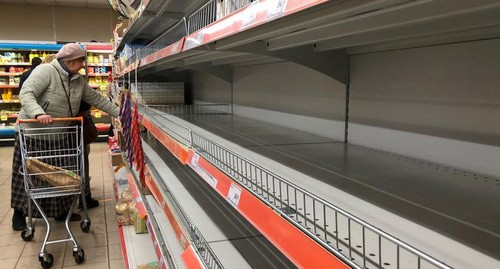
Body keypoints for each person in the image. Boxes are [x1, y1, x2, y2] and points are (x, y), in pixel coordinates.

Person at [11, 43, 120, 231]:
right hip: (33, 133)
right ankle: (19, 214)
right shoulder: (46, 71)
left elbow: (96, 99)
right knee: (27, 177)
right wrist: (38, 113)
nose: (82, 66)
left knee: (60, 175)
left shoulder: (77, 80)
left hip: (59, 135)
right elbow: (27, 93)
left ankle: (60, 211)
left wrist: (121, 113)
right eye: (79, 62)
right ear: (69, 61)